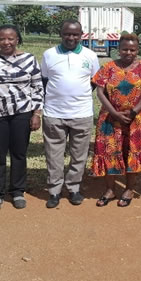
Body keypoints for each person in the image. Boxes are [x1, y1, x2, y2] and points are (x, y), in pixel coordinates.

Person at [0, 24, 43, 211]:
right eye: (2, 38)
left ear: (18, 39)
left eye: (11, 38)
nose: (6, 42)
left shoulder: (29, 59)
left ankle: (17, 191)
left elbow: (37, 87)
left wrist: (36, 113)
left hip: (22, 112)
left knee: (19, 153)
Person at [91, 34, 141, 207]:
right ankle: (110, 189)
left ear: (137, 50)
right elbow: (100, 92)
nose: (128, 52)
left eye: (132, 49)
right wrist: (114, 113)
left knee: (133, 152)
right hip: (110, 117)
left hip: (138, 119)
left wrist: (134, 111)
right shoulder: (108, 67)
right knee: (109, 151)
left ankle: (129, 189)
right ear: (118, 50)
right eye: (124, 49)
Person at [41, 20, 100, 208]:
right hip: (53, 113)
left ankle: (74, 188)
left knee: (79, 154)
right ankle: (54, 191)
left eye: (75, 34)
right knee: (54, 155)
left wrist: (77, 95)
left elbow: (94, 81)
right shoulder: (49, 54)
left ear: (81, 35)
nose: (71, 38)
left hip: (81, 113)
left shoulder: (90, 55)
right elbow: (44, 80)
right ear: (61, 33)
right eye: (67, 34)